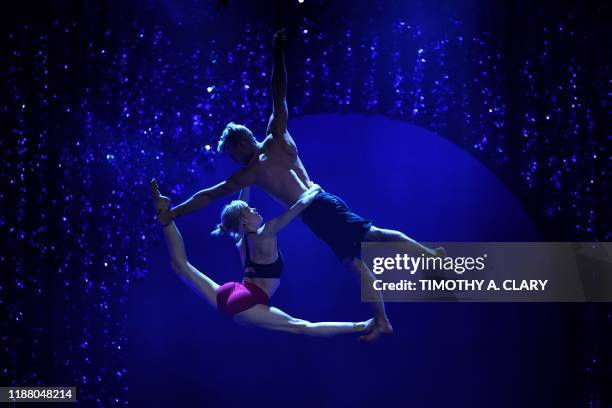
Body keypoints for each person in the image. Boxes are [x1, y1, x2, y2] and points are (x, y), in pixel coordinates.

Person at [157, 31, 445, 342]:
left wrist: (277, 54)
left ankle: (428, 259)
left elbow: (278, 93)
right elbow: (209, 194)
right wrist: (174, 211)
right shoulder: (251, 172)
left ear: (241, 143)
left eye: (232, 154)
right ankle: (383, 319)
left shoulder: (271, 143)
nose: (233, 160)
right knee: (355, 262)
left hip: (319, 206)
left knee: (373, 239)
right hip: (314, 214)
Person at [150, 178, 373, 337]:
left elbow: (241, 206)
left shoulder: (241, 238)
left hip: (232, 291)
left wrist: (248, 177)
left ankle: (165, 220)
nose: (255, 210)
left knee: (182, 266)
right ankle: (361, 325)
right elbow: (299, 206)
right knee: (300, 326)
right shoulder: (266, 233)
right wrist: (314, 189)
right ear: (244, 221)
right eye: (250, 210)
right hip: (248, 300)